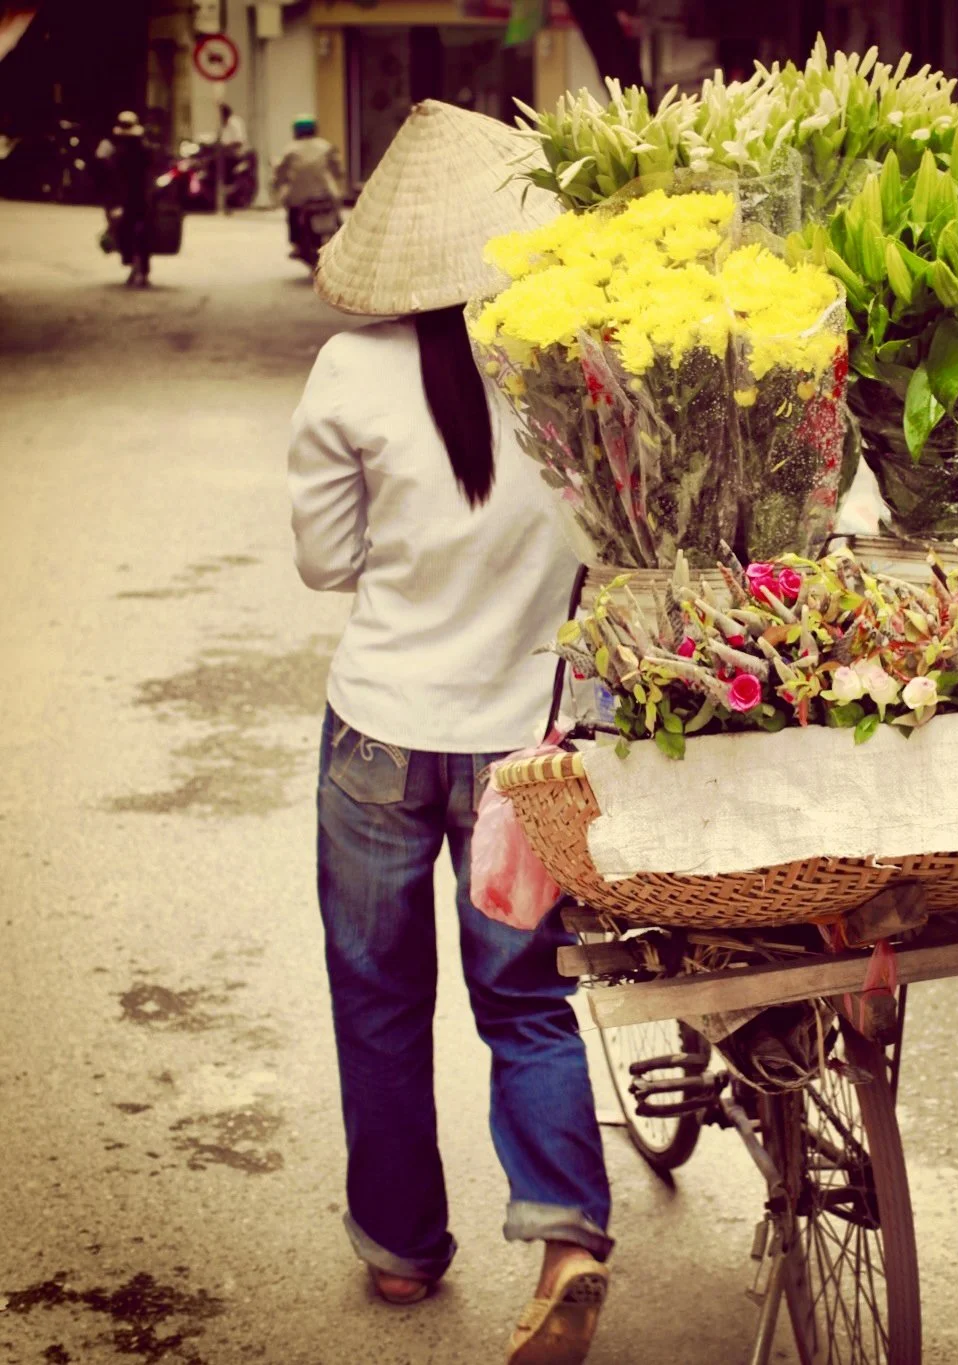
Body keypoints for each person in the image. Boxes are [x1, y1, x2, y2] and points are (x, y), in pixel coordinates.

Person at [288, 101, 611, 1365]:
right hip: (526, 742)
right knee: (525, 1000)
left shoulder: (348, 373)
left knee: (376, 999)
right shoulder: (585, 369)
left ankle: (404, 1253)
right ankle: (569, 1236)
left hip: (378, 729)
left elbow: (326, 563)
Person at [94, 110, 154, 287]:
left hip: (129, 198)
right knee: (139, 233)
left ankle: (137, 267)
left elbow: (113, 177)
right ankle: (140, 269)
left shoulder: (120, 151)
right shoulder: (142, 148)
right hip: (139, 198)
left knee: (130, 232)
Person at [272, 114, 343, 260]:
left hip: (300, 197)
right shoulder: (326, 146)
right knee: (337, 213)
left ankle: (296, 244)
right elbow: (338, 168)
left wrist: (277, 184)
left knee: (291, 210)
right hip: (326, 193)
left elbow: (280, 172)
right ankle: (341, 237)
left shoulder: (290, 149)